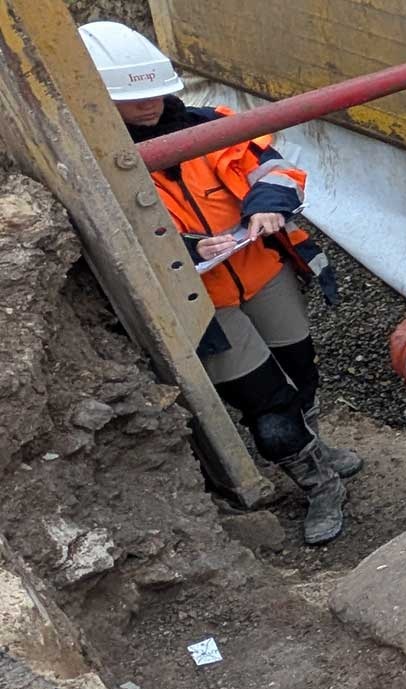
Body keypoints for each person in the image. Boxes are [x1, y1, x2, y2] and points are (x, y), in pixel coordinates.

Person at [78, 21, 359, 545]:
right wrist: (187, 251)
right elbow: (113, 243)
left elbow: (275, 170)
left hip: (263, 273)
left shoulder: (210, 126)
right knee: (269, 413)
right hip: (202, 302)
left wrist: (266, 207)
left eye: (155, 91)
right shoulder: (97, 167)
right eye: (133, 98)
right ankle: (320, 485)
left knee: (302, 372)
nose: (151, 104)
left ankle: (317, 450)